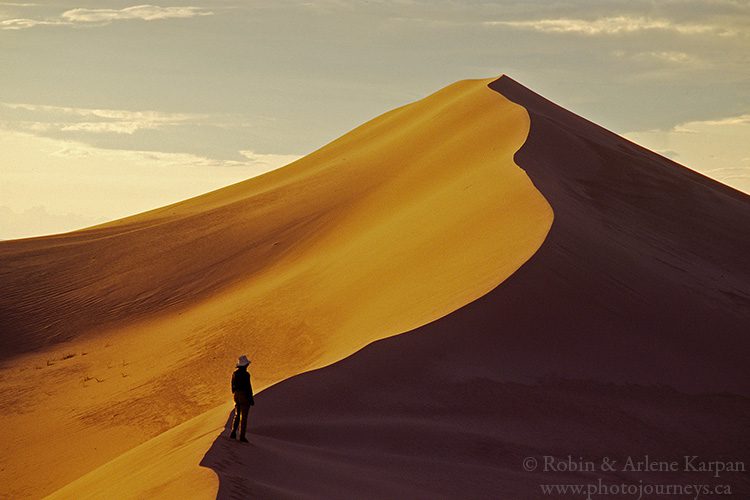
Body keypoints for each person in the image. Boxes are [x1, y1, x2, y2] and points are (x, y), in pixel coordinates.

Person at [230, 355, 254, 442]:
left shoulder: (235, 373)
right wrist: (250, 398)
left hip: (236, 395)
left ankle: (233, 432)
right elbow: (248, 387)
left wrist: (236, 394)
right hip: (244, 395)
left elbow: (232, 386)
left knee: (237, 414)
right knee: (243, 417)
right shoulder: (246, 374)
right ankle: (242, 436)